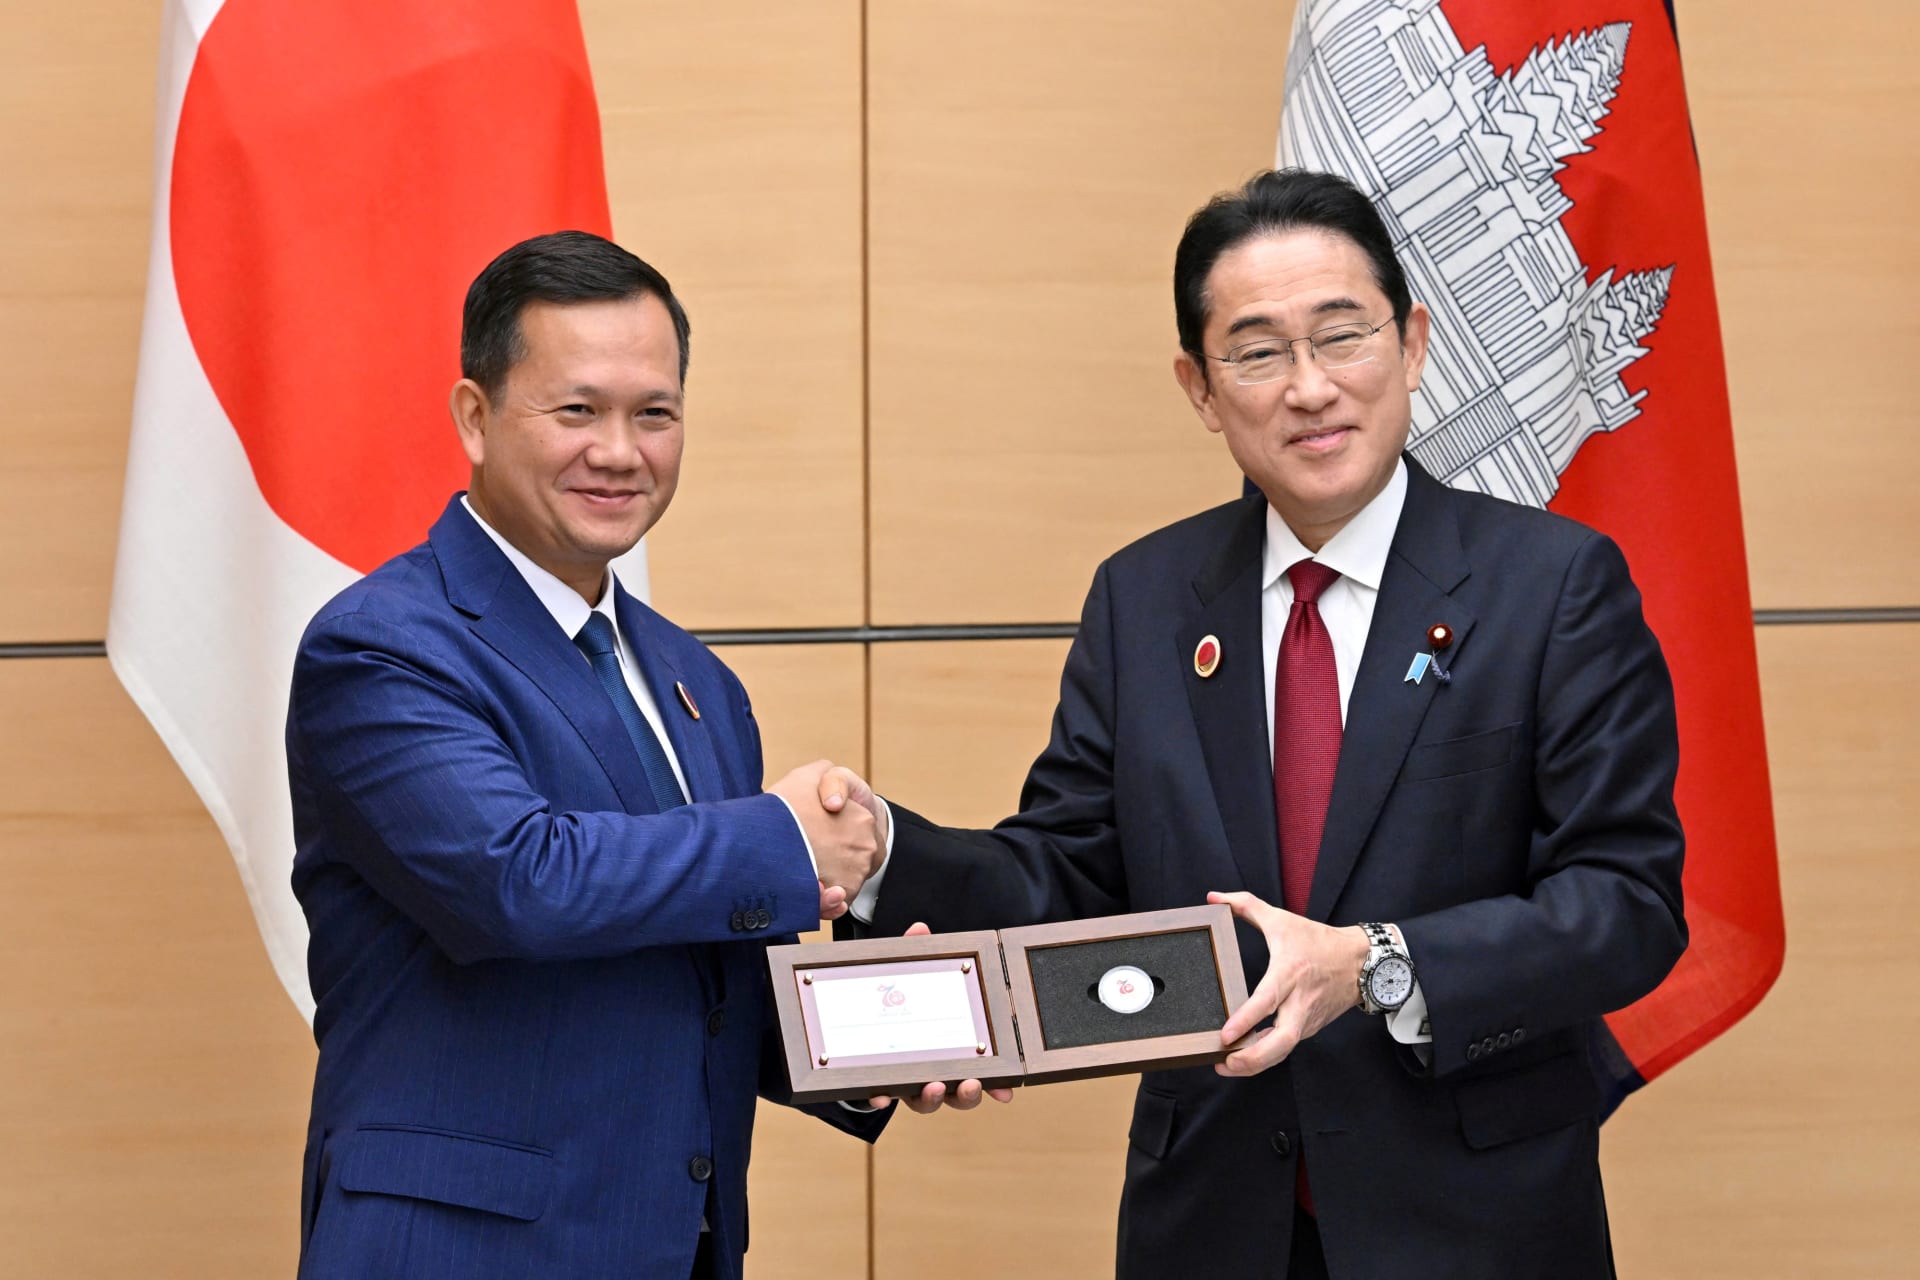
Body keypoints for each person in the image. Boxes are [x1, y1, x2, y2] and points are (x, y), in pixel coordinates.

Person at [832, 170, 1687, 1278]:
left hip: (1474, 1218)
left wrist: (1373, 962)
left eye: (1343, 336)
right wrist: (887, 855)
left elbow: (1626, 902)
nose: (1311, 387)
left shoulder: (1553, 584)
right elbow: (1071, 876)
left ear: (1415, 342)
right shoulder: (1143, 598)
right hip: (1214, 1221)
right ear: (1199, 388)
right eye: (1258, 351)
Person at [287, 231, 980, 1280]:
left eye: (653, 412)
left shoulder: (695, 681)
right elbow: (518, 881)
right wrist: (786, 839)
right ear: (474, 416)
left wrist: (877, 1045)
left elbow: (693, 974)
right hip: (455, 1247)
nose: (621, 449)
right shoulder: (384, 644)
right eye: (578, 409)